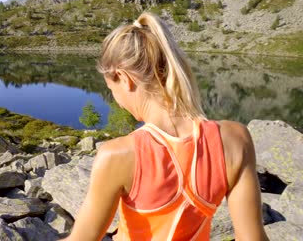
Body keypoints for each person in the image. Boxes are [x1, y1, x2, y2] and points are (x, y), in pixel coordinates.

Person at [63, 12, 269, 241]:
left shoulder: (117, 154)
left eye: (112, 91)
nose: (117, 102)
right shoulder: (236, 138)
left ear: (123, 78)